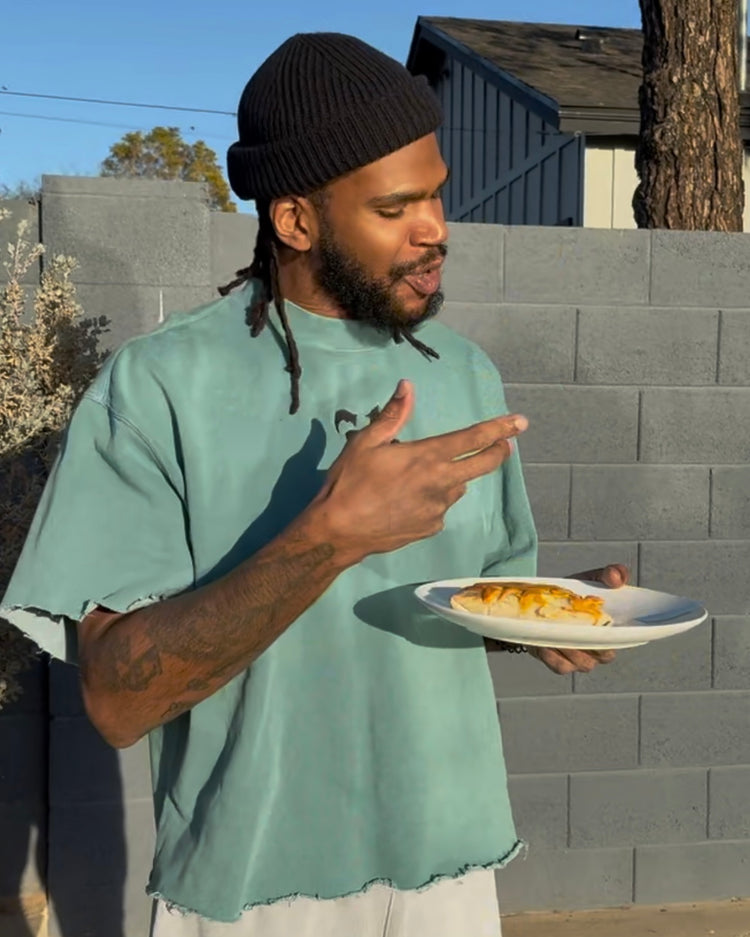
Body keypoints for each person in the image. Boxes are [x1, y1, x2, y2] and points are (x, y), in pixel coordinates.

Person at [0, 32, 627, 937]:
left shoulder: (464, 374)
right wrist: (329, 534)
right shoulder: (159, 387)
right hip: (257, 889)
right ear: (295, 220)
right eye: (395, 207)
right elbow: (116, 697)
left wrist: (551, 614)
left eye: (437, 191)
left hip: (450, 871)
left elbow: (465, 597)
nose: (436, 228)